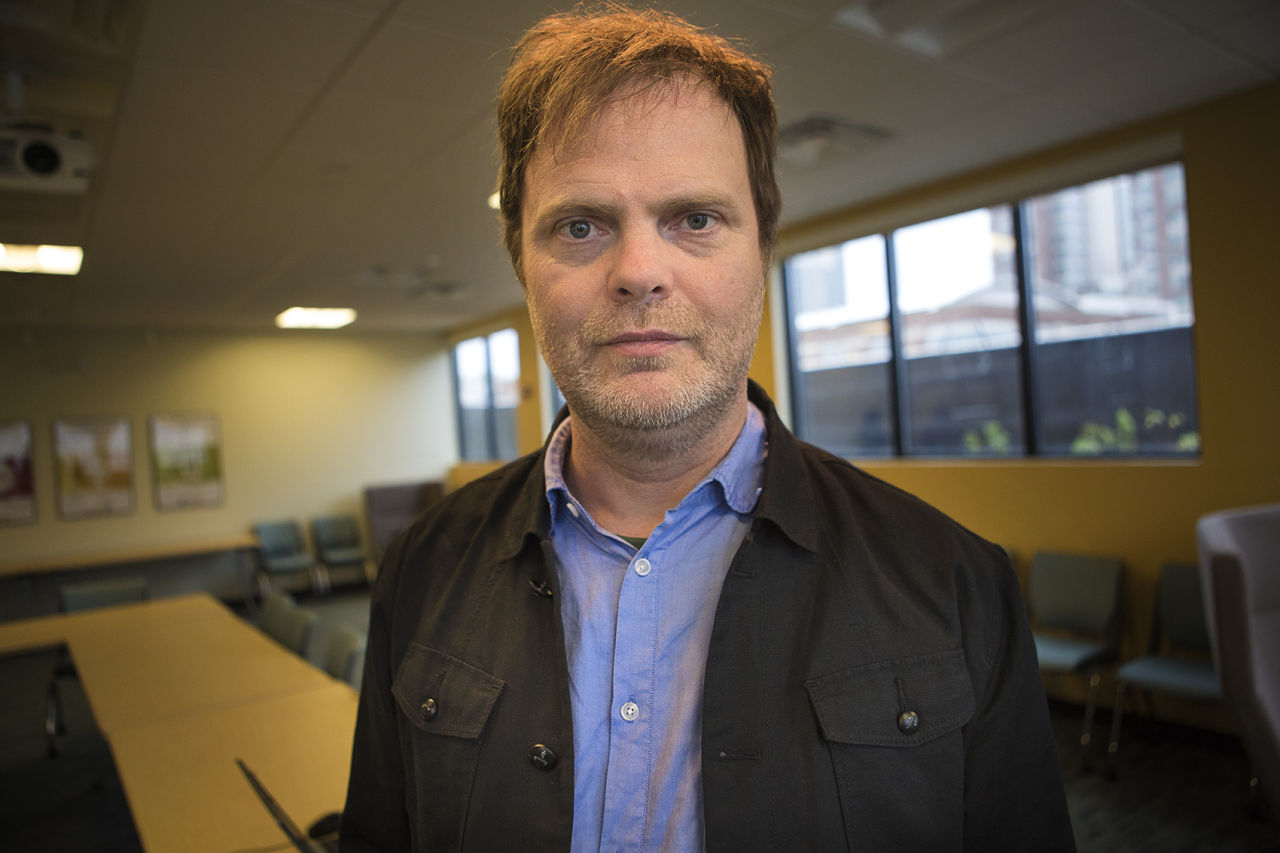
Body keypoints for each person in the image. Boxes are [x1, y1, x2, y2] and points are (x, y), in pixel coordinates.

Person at [340, 5, 1076, 852]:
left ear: (760, 244)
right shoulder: (422, 570)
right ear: (521, 260)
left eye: (694, 218)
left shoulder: (956, 584)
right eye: (581, 225)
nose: (640, 273)